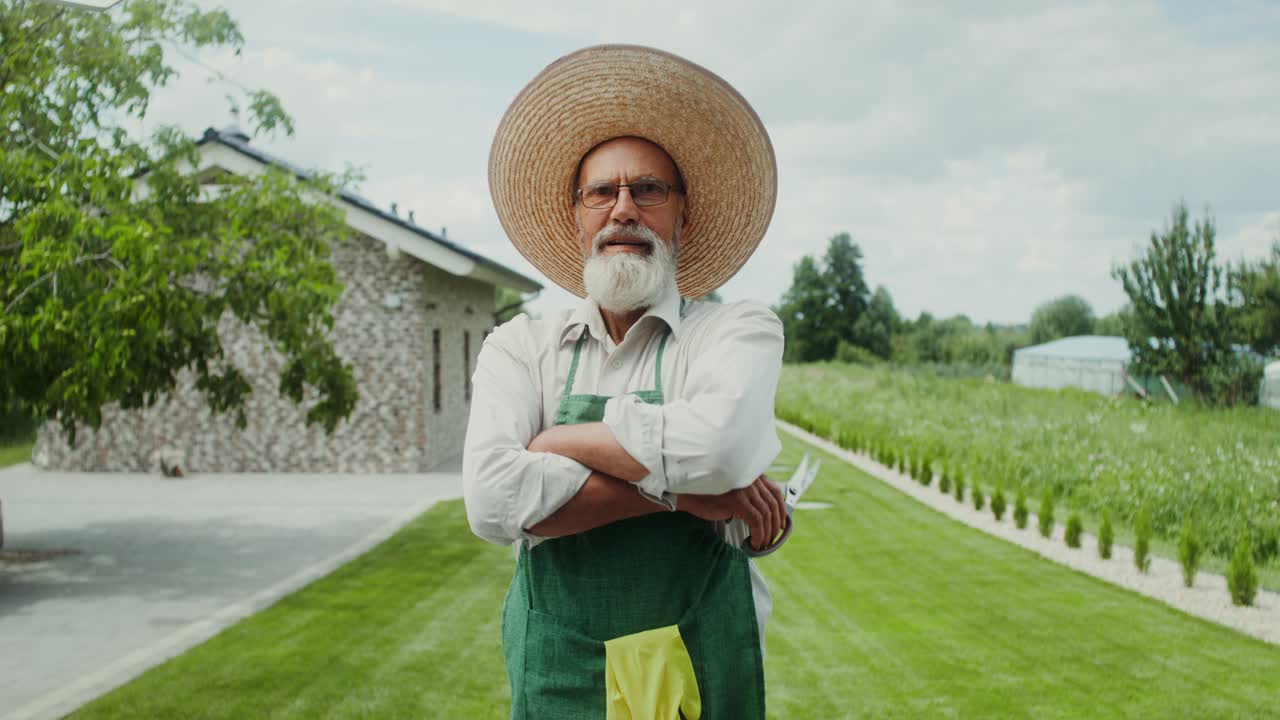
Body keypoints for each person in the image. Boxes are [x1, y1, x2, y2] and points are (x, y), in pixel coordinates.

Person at [463, 44, 785, 719]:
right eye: (601, 192)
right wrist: (686, 495)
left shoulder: (734, 331)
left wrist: (558, 442)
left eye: (648, 189)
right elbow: (491, 503)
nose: (623, 209)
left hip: (701, 662)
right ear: (576, 216)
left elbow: (722, 450)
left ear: (682, 215)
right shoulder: (520, 347)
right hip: (561, 670)